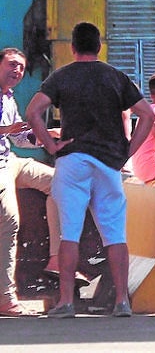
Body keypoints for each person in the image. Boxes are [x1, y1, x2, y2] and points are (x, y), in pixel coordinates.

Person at [25, 22, 155, 318]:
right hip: (108, 164)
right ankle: (122, 301)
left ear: (73, 47)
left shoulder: (61, 77)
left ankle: (66, 303)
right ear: (99, 47)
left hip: (72, 161)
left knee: (68, 234)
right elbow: (146, 116)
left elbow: (33, 111)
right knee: (115, 235)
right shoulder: (116, 77)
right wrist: (127, 152)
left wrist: (51, 145)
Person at [0, 47, 62, 317]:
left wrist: (46, 134)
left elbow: (19, 139)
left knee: (61, 183)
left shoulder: (9, 98)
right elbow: (9, 131)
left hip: (10, 159)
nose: (18, 71)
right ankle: (5, 297)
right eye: (12, 65)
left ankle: (57, 260)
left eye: (22, 68)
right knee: (9, 221)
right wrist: (6, 130)